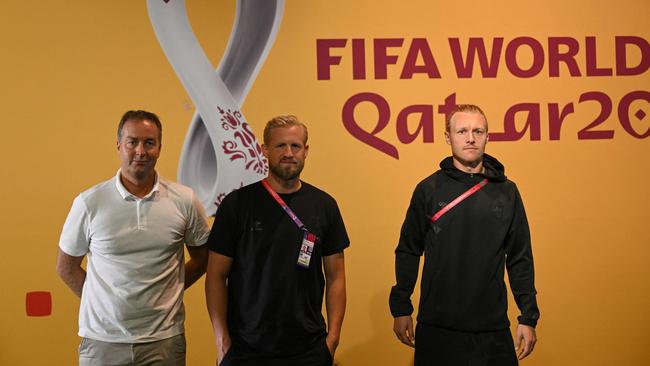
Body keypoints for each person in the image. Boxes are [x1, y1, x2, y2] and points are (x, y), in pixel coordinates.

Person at [56, 110, 210, 366]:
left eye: (149, 143)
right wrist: (104, 303)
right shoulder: (89, 202)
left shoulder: (185, 200)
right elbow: (65, 267)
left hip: (164, 341)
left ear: (160, 148)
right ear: (119, 145)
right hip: (102, 342)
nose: (141, 151)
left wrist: (169, 291)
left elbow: (203, 259)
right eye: (132, 142)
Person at [389, 104, 540, 365]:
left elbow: (520, 257)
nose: (470, 138)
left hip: (491, 329)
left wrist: (528, 316)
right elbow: (408, 250)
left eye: (477, 131)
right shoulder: (428, 189)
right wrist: (401, 307)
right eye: (462, 131)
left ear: (487, 137)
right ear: (448, 137)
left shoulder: (507, 192)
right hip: (437, 327)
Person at [205, 115, 349, 366]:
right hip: (246, 349)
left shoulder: (324, 205)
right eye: (280, 146)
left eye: (295, 146)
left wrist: (332, 340)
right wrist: (221, 341)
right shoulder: (237, 204)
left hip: (309, 349)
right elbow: (216, 276)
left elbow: (336, 275)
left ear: (306, 151)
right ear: (264, 150)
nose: (288, 153)